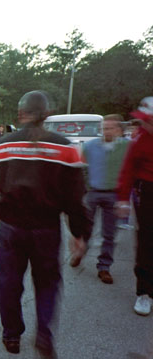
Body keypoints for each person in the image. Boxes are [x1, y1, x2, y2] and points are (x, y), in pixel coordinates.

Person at [0, 90, 91, 357]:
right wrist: (79, 233)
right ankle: (44, 335)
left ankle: (12, 335)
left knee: (9, 283)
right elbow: (76, 198)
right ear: (47, 115)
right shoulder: (66, 148)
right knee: (47, 283)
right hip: (47, 229)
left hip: (11, 228)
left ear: (21, 114)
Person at [73, 115, 129, 284]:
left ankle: (104, 267)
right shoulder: (90, 146)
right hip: (93, 192)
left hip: (114, 194)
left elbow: (131, 170)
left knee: (109, 233)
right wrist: (83, 189)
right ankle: (80, 252)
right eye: (104, 128)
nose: (106, 131)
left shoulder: (126, 147)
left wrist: (125, 199)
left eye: (110, 128)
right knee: (85, 227)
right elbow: (80, 167)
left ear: (119, 130)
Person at [116, 96, 153, 316]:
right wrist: (122, 199)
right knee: (147, 241)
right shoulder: (140, 138)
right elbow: (128, 169)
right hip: (146, 190)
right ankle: (144, 292)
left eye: (147, 120)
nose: (143, 124)